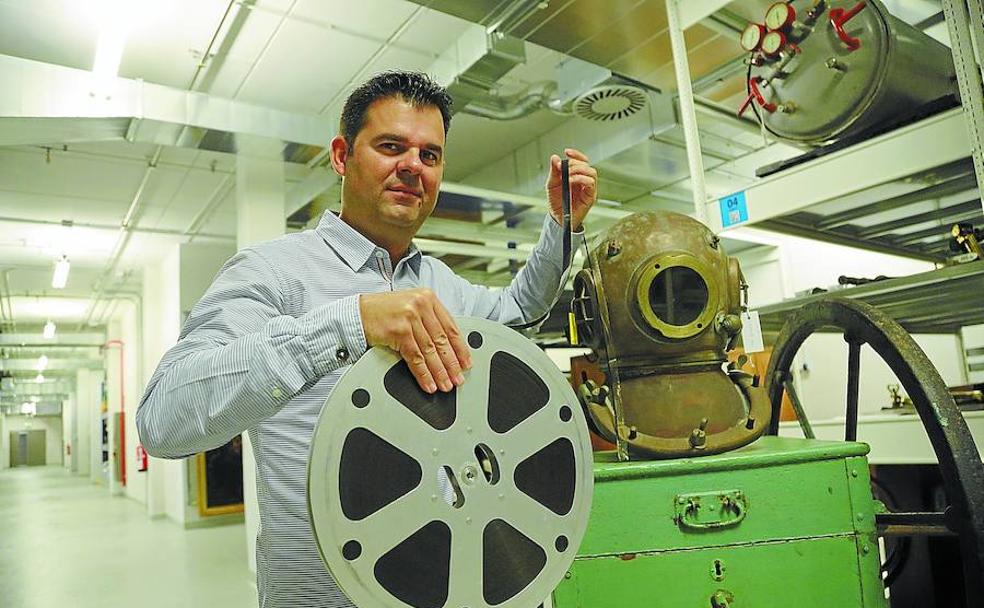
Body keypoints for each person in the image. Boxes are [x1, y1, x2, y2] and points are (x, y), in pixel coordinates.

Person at [136, 71, 598, 608]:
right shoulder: (270, 274)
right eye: (390, 146)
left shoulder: (440, 284)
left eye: (430, 155)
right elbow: (162, 420)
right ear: (340, 156)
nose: (411, 166)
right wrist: (351, 323)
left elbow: (517, 311)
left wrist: (561, 226)